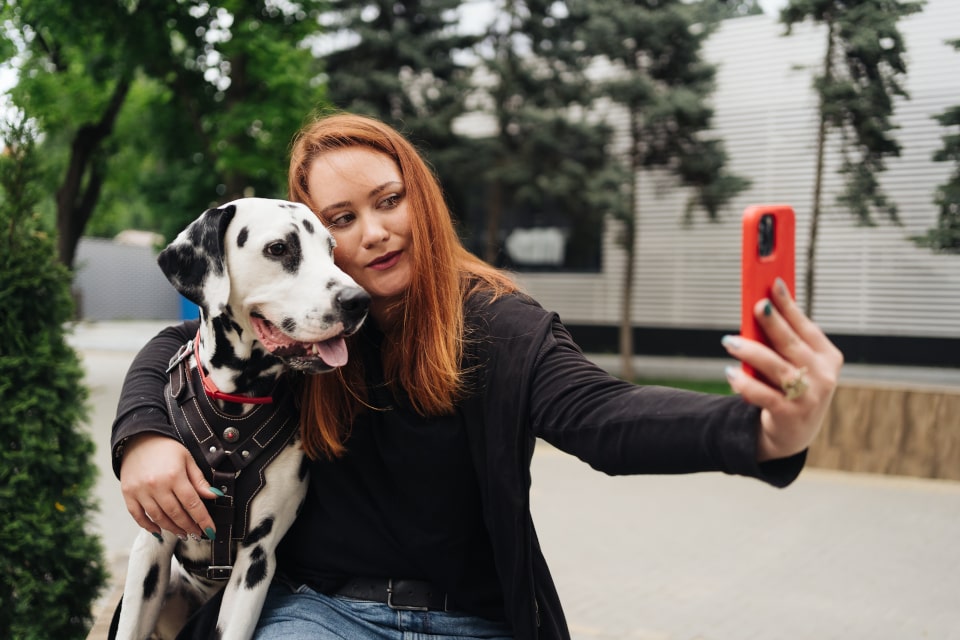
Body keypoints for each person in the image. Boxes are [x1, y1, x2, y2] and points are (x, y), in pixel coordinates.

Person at [112, 112, 844, 640]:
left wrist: (761, 429)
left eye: (389, 201)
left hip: (474, 622)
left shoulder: (500, 326)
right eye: (340, 217)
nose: (372, 232)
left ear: (421, 200)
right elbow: (183, 344)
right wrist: (142, 433)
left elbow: (606, 421)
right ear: (310, 232)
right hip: (320, 615)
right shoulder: (303, 332)